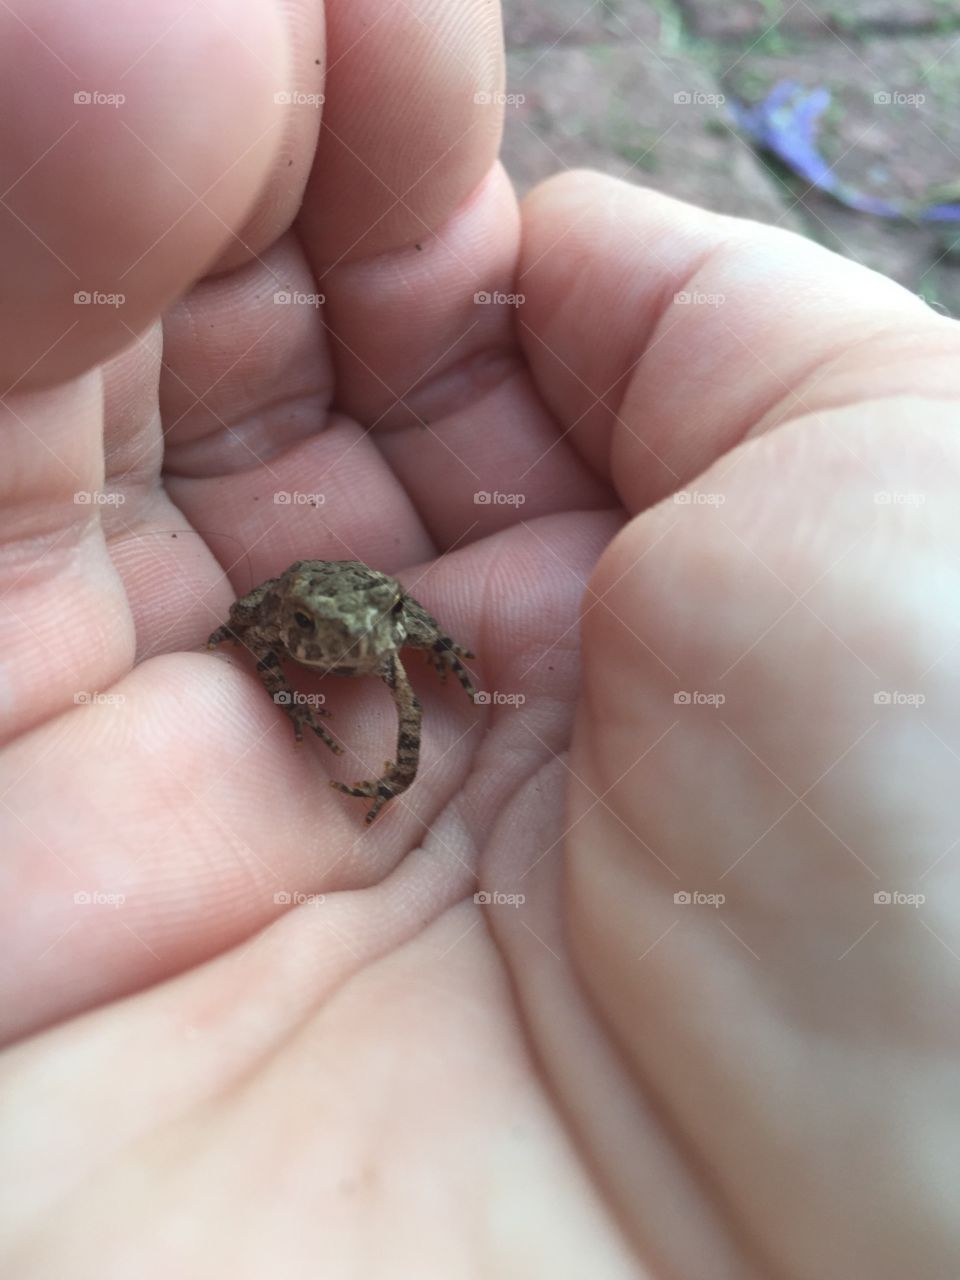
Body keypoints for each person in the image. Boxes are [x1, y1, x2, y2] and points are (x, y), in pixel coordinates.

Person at [1, 1, 957, 1275]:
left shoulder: (378, 634)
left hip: (368, 601)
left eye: (352, 649)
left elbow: (407, 674)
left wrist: (434, 694)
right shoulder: (301, 629)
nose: (343, 659)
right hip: (303, 592)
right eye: (332, 648)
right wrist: (288, 702)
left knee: (410, 632)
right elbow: (273, 641)